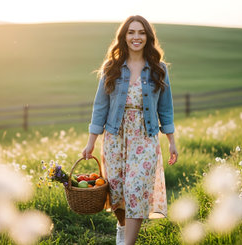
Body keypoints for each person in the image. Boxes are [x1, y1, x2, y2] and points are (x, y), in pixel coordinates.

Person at [82, 15, 178, 245]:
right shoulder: (112, 68)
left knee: (136, 190)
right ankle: (122, 230)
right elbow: (100, 108)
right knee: (117, 193)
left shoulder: (158, 69)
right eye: (131, 32)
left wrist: (172, 141)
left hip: (144, 138)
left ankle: (127, 243)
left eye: (141, 32)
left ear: (148, 37)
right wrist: (91, 141)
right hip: (115, 137)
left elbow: (166, 109)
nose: (136, 37)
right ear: (124, 37)